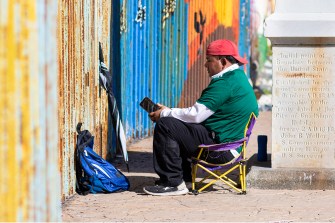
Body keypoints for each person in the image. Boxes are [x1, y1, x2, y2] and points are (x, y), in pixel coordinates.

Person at [143, 39, 259, 196]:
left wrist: (164, 113)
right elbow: (196, 115)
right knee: (177, 123)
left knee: (166, 125)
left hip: (220, 150)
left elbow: (196, 115)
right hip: (231, 146)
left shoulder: (225, 84)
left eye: (209, 60)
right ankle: (185, 178)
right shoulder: (237, 77)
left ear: (223, 61)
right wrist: (170, 111)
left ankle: (173, 183)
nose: (205, 65)